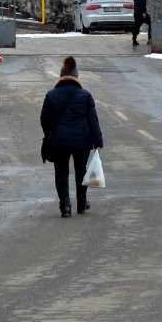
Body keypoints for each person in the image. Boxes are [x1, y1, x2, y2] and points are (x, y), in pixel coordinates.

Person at [39, 54, 104, 218]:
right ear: (76, 77)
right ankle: (81, 205)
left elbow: (44, 119)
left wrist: (50, 134)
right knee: (81, 171)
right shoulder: (85, 95)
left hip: (59, 142)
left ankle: (65, 207)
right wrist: (98, 141)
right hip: (82, 142)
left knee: (61, 173)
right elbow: (92, 120)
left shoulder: (51, 95)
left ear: (61, 77)